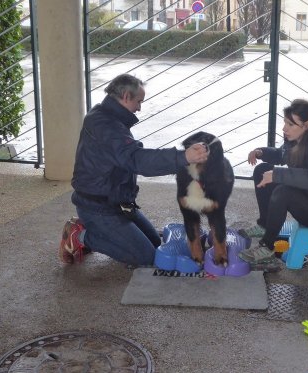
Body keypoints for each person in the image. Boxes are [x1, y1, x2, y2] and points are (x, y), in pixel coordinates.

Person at [58, 73, 209, 266]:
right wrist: (183, 157)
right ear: (126, 96)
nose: (139, 107)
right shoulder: (105, 126)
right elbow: (136, 159)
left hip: (119, 203)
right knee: (146, 258)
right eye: (138, 101)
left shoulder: (109, 116)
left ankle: (99, 233)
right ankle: (80, 236)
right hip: (98, 207)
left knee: (156, 244)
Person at [238, 98, 308, 270]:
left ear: (307, 125)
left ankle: (267, 248)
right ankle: (264, 225)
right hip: (306, 198)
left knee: (283, 190)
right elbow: (282, 155)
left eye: (290, 124)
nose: (284, 128)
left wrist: (278, 175)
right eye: (285, 122)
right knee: (262, 171)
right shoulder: (298, 137)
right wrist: (261, 152)